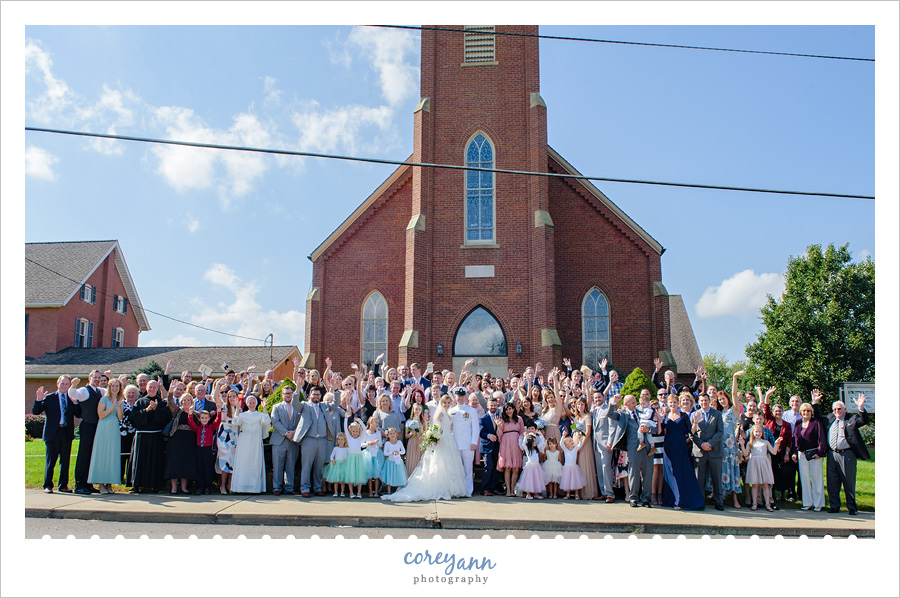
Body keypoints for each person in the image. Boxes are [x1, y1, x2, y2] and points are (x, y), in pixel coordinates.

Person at [383, 395, 468, 502]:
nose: (446, 405)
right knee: (440, 463)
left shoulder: (448, 413)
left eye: (448, 403)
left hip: (449, 440)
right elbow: (437, 428)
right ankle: (439, 487)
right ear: (441, 403)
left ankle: (451, 488)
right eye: (444, 403)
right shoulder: (440, 413)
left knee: (449, 464)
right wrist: (436, 437)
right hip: (442, 440)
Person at [812, 390, 869, 515]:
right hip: (832, 454)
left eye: (839, 409)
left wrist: (861, 407)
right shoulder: (830, 418)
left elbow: (864, 420)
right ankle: (834, 506)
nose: (836, 411)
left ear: (845, 409)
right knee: (832, 482)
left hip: (847, 454)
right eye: (834, 409)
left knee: (848, 481)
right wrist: (815, 403)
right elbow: (818, 418)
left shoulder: (851, 419)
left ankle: (852, 507)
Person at [32, 376, 80, 493]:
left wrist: (75, 403)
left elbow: (78, 414)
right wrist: (38, 400)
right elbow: (36, 411)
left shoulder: (71, 398)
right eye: (62, 383)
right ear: (57, 384)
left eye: (67, 384)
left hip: (66, 432)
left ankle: (63, 485)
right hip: (53, 433)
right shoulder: (49, 398)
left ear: (69, 385)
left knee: (65, 461)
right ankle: (48, 485)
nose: (64, 386)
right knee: (51, 461)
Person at [292, 387, 343, 497]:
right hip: (309, 439)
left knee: (319, 466)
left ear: (320, 396)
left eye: (318, 395)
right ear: (310, 395)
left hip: (322, 440)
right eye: (314, 394)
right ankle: (305, 488)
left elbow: (336, 403)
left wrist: (336, 390)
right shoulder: (304, 405)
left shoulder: (324, 406)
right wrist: (297, 390)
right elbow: (295, 404)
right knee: (306, 465)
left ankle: (318, 487)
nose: (316, 396)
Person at [609, 394, 655, 507]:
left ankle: (646, 498)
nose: (636, 404)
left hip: (648, 445)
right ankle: (633, 497)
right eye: (633, 403)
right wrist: (614, 402)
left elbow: (654, 424)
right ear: (626, 404)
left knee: (648, 473)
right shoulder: (623, 414)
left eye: (635, 401)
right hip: (633, 446)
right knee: (633, 472)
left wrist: (648, 429)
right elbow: (610, 414)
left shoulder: (642, 411)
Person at [661, 395, 704, 510]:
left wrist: (695, 423)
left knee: (680, 471)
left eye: (675, 402)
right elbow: (661, 432)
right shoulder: (665, 416)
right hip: (668, 446)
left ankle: (681, 499)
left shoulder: (684, 416)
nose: (673, 405)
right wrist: (660, 421)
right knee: (670, 472)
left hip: (680, 446)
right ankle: (672, 499)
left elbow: (691, 431)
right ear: (668, 404)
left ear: (678, 403)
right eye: (671, 403)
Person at [129, 379, 171, 493]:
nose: (152, 389)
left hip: (156, 437)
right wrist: (147, 410)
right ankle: (136, 485)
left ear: (157, 389)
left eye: (154, 387)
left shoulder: (161, 403)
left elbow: (165, 419)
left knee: (155, 461)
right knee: (140, 461)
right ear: (146, 388)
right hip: (142, 437)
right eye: (150, 387)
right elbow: (134, 418)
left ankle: (156, 485)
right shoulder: (140, 402)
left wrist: (156, 409)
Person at [68, 370, 106, 495]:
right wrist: (73, 385)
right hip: (87, 426)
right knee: (83, 456)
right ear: (89, 378)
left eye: (98, 377)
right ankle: (79, 485)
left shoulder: (100, 391)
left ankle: (88, 484)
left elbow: (113, 392)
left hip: (97, 427)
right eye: (94, 377)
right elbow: (73, 394)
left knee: (92, 456)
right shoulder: (84, 391)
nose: (97, 379)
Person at [690, 392, 725, 511]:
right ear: (698, 402)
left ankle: (718, 501)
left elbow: (720, 432)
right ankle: (700, 501)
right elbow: (692, 434)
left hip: (714, 450)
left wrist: (709, 444)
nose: (704, 402)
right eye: (702, 401)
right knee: (699, 478)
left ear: (709, 401)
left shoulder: (717, 414)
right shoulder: (694, 415)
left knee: (716, 477)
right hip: (699, 451)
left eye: (706, 400)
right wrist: (702, 444)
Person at [230, 394, 271, 493]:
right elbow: (235, 423)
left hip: (256, 442)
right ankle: (241, 487)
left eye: (253, 402)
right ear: (247, 404)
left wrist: (265, 408)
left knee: (255, 463)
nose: (252, 404)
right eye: (250, 403)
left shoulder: (260, 415)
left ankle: (254, 488)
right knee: (243, 463)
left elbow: (266, 422)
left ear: (256, 404)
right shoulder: (243, 415)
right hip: (244, 442)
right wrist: (237, 408)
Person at [791, 402, 826, 511]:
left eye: (808, 411)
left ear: (811, 412)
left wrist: (820, 452)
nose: (806, 413)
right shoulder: (798, 423)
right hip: (802, 454)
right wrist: (794, 452)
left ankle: (818, 503)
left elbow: (821, 438)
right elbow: (795, 440)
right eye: (804, 411)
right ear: (801, 412)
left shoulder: (816, 423)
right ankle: (807, 503)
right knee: (804, 478)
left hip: (814, 454)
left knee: (816, 478)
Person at [740, 424, 781, 511]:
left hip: (763, 463)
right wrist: (742, 445)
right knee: (755, 484)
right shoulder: (750, 443)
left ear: (762, 433)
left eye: (759, 432)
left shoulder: (765, 442)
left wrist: (776, 444)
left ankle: (767, 504)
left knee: (765, 484)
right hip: (754, 463)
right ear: (753, 433)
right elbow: (745, 454)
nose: (758, 433)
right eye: (756, 432)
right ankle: (754, 503)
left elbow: (774, 452)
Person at [269, 385, 302, 495]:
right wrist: (286, 433)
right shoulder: (276, 407)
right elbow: (275, 421)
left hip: (293, 441)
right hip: (279, 440)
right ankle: (277, 488)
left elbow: (302, 422)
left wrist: (294, 433)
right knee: (278, 466)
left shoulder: (298, 407)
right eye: (286, 393)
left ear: (293, 394)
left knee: (291, 465)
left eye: (290, 393)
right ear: (282, 395)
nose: (288, 395)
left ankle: (289, 487)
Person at [448, 387, 480, 497]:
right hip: (455, 444)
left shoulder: (471, 410)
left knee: (468, 469)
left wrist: (474, 442)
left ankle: (468, 490)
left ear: (465, 397)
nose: (460, 398)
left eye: (462, 396)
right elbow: (449, 428)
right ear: (455, 397)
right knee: (457, 469)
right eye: (458, 396)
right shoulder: (451, 411)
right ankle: (458, 490)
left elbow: (475, 428)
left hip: (467, 444)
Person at [164, 394, 198, 494]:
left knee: (185, 464)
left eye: (188, 400)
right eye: (184, 400)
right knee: (174, 463)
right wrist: (170, 391)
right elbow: (170, 402)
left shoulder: (196, 414)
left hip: (189, 441)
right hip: (176, 440)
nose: (186, 402)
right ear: (181, 402)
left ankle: (184, 487)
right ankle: (173, 487)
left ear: (192, 402)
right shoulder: (177, 411)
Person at [715, 391, 743, 509]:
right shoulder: (718, 413)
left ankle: (735, 499)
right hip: (721, 448)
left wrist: (735, 377)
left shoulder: (733, 411)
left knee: (733, 472)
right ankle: (721, 497)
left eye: (723, 398)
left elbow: (734, 394)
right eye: (720, 399)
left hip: (731, 448)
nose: (722, 401)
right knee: (722, 472)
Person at [590, 387, 618, 503]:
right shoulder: (595, 411)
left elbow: (612, 426)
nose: (597, 399)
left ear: (603, 397)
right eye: (595, 398)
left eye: (599, 397)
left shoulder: (608, 409)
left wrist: (610, 442)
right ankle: (603, 492)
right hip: (596, 444)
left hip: (606, 444)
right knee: (599, 469)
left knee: (606, 467)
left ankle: (610, 494)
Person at [186, 403, 220, 495]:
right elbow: (191, 424)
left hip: (207, 449)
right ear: (199, 419)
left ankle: (207, 487)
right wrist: (190, 413)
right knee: (199, 468)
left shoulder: (211, 427)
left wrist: (219, 411)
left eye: (206, 418)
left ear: (209, 418)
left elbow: (217, 421)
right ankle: (199, 487)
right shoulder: (198, 428)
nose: (204, 420)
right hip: (199, 449)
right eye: (202, 418)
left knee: (208, 468)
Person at [496, 402, 525, 497]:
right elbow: (499, 436)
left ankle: (513, 489)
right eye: (507, 409)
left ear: (513, 409)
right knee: (507, 467)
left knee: (516, 468)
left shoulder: (519, 419)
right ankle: (508, 490)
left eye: (510, 409)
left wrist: (522, 442)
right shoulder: (502, 420)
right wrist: (499, 427)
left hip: (516, 444)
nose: (509, 411)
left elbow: (522, 432)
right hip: (506, 443)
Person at [215, 385, 240, 494]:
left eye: (233, 396)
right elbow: (215, 397)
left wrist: (238, 409)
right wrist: (217, 386)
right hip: (224, 437)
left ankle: (230, 485)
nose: (231, 398)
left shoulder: (240, 409)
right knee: (225, 460)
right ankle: (222, 486)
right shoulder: (224, 406)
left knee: (233, 461)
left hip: (234, 437)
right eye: (230, 396)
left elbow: (237, 422)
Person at [340, 416, 369, 498]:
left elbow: (365, 428)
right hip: (351, 457)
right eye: (353, 431)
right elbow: (345, 428)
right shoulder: (349, 437)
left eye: (356, 431)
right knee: (350, 475)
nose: (355, 433)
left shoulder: (360, 438)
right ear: (350, 431)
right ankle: (351, 493)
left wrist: (359, 420)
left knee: (359, 475)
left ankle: (359, 493)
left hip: (359, 458)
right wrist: (346, 418)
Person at [479, 395, 502, 496]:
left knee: (497, 467)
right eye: (491, 405)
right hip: (487, 446)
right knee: (489, 466)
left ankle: (493, 487)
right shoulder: (483, 418)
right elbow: (481, 432)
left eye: (495, 405)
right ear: (487, 406)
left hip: (497, 446)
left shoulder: (499, 417)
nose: (493, 407)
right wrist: (488, 436)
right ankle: (484, 488)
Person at [515, 432, 547, 499]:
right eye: (534, 441)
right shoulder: (527, 449)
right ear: (530, 442)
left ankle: (536, 494)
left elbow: (541, 443)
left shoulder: (536, 449)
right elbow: (523, 444)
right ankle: (528, 494)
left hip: (536, 467)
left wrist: (541, 435)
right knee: (529, 480)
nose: (535, 442)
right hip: (530, 467)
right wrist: (525, 437)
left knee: (536, 480)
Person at [559, 432, 586, 499]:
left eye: (572, 440)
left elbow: (580, 445)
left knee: (575, 480)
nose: (572, 441)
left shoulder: (575, 449)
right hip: (567, 468)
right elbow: (561, 444)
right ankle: (568, 494)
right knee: (567, 481)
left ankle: (576, 494)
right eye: (570, 441)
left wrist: (580, 438)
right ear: (567, 444)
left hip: (574, 468)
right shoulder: (565, 450)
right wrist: (563, 436)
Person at [362, 416, 384, 497]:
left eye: (378, 423)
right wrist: (369, 443)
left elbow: (380, 444)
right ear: (371, 422)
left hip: (377, 453)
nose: (377, 424)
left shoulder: (378, 433)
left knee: (376, 474)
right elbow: (362, 444)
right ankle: (370, 491)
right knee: (369, 475)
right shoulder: (365, 433)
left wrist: (377, 441)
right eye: (376, 422)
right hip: (368, 454)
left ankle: (376, 492)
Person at [381, 428, 408, 494]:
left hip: (397, 462)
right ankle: (389, 492)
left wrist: (398, 452)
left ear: (396, 434)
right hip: (390, 462)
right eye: (390, 434)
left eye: (393, 433)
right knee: (389, 476)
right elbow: (385, 453)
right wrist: (391, 453)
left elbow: (403, 451)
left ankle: (397, 491)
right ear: (388, 435)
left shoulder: (399, 442)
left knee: (397, 476)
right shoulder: (387, 443)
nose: (392, 435)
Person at [405, 403, 427, 477]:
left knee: (419, 461)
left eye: (419, 409)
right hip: (412, 443)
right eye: (416, 409)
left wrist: (421, 431)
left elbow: (426, 436)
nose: (417, 411)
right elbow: (406, 436)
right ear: (413, 410)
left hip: (420, 443)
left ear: (421, 411)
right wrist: (411, 434)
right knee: (412, 461)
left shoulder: (423, 422)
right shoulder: (409, 421)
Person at [324, 432, 349, 497]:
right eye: (339, 439)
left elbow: (348, 456)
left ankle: (342, 492)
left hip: (343, 464)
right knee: (336, 480)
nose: (340, 441)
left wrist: (346, 459)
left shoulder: (346, 449)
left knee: (342, 480)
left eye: (342, 439)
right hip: (336, 464)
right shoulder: (336, 448)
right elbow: (331, 456)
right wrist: (332, 460)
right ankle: (335, 492)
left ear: (345, 440)